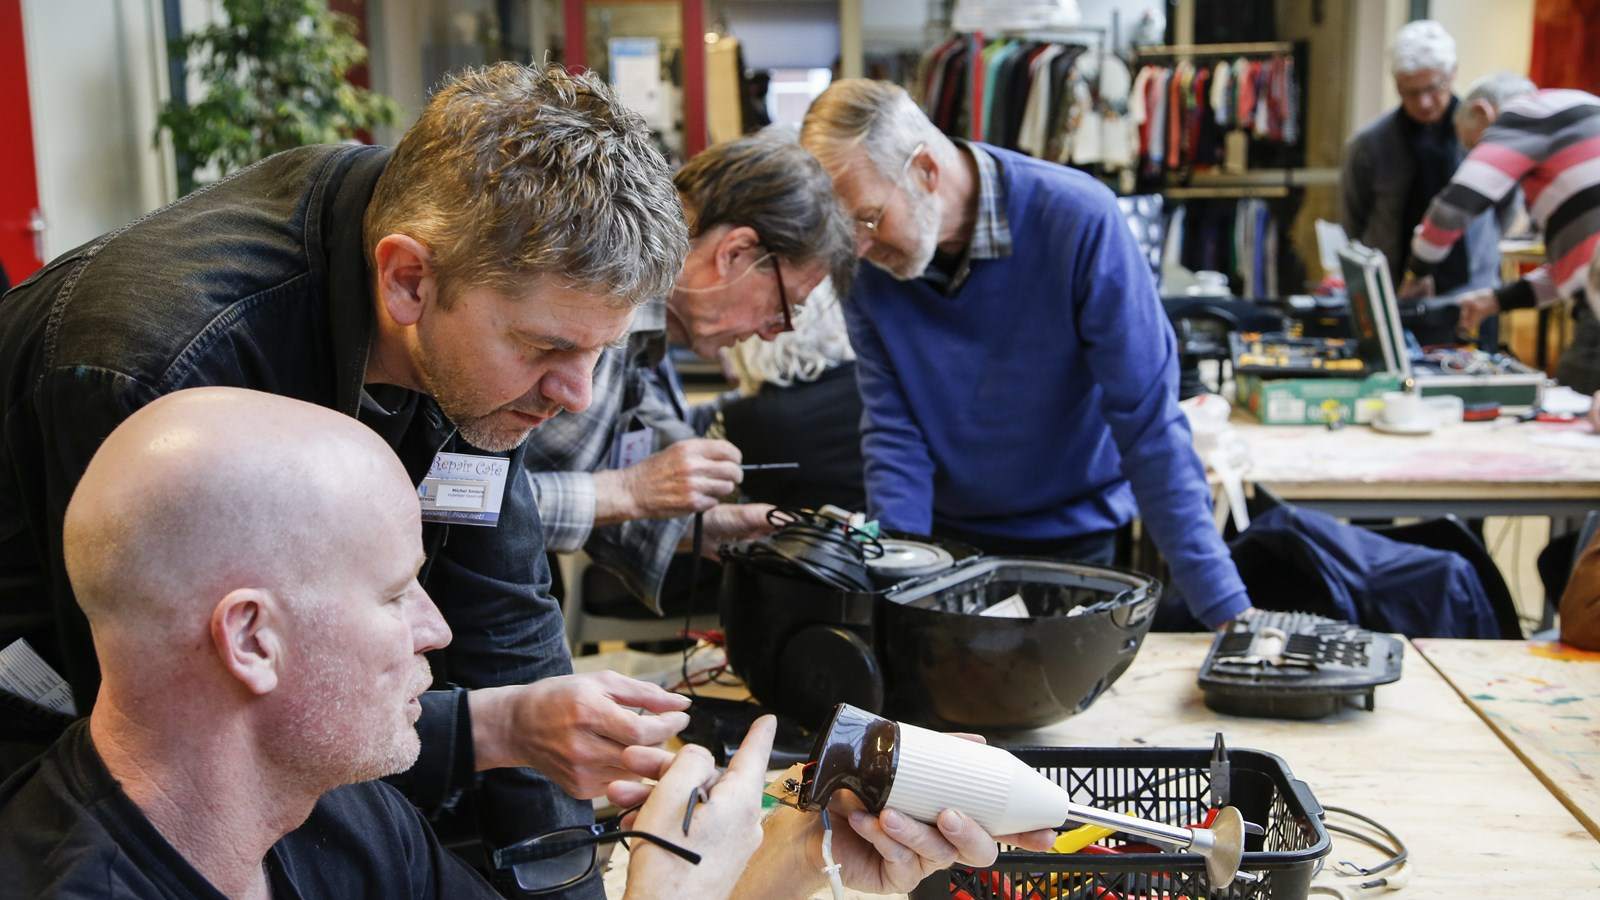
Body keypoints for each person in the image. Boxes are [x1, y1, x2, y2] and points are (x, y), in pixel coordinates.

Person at [0, 62, 692, 897]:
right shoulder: (160, 365)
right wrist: (485, 731)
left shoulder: (470, 301)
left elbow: (502, 614)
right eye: (548, 349)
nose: (575, 393)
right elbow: (192, 734)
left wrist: (564, 870)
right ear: (408, 280)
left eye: (597, 353)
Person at [0, 387, 1052, 899]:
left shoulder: (334, 815)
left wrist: (803, 857)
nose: (438, 630)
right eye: (396, 592)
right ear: (252, 639)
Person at [798, 79, 1253, 628]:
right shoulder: (869, 266)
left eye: (868, 219)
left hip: (1073, 544)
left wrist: (1226, 610)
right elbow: (895, 433)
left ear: (925, 170)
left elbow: (1149, 423)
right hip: (945, 544)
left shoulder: (1079, 220)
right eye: (845, 237)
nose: (862, 249)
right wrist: (901, 577)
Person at [522, 128, 855, 610]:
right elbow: (443, 492)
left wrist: (709, 529)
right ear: (735, 254)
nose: (775, 333)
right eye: (785, 306)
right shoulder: (584, 298)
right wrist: (628, 491)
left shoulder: (644, 338)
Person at [1400, 76, 1600, 393]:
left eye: (1476, 146)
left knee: (1575, 405)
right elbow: (1576, 272)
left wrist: (1418, 272)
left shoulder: (1526, 114)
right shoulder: (1579, 111)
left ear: (1482, 113)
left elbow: (1452, 210)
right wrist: (1495, 300)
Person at [1342, 20, 1504, 299]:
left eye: (1433, 88)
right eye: (1411, 92)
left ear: (1452, 75)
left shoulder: (1486, 135)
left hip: (1474, 291)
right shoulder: (1369, 145)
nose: (1424, 102)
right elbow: (1353, 221)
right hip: (1394, 294)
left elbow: (1503, 205)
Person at [719, 279, 868, 512]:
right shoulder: (876, 392)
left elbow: (717, 507)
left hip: (789, 543)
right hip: (890, 539)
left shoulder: (741, 419)